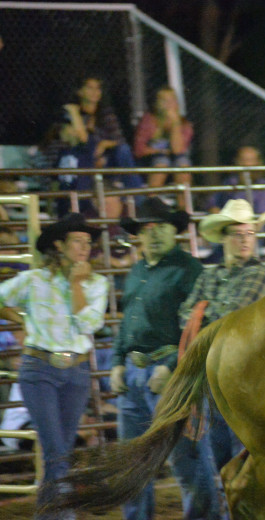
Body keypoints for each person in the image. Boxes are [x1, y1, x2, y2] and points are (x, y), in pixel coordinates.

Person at [110, 197, 222, 520]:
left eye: (162, 228)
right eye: (148, 229)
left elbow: (200, 328)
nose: (155, 234)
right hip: (134, 374)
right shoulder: (136, 271)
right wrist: (117, 360)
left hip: (171, 377)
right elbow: (128, 321)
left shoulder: (189, 270)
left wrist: (171, 364)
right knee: (134, 464)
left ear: (174, 232)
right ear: (139, 236)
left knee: (186, 460)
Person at [0, 213, 108, 517]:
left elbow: (91, 323)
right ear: (59, 245)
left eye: (88, 242)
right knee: (57, 452)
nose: (85, 247)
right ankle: (63, 515)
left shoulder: (96, 283)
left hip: (74, 372)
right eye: (78, 240)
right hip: (41, 369)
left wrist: (75, 284)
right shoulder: (34, 280)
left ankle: (49, 515)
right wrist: (19, 319)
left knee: (59, 453)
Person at [179, 199, 265, 470]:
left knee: (240, 453)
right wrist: (204, 314)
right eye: (237, 234)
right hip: (214, 378)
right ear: (224, 239)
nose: (245, 240)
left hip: (245, 380)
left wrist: (202, 310)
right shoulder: (209, 276)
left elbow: (230, 319)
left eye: (249, 234)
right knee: (221, 453)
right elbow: (184, 314)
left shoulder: (259, 275)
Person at [43, 76, 142, 215]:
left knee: (124, 150)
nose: (95, 92)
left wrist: (103, 144)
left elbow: (119, 140)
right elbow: (77, 140)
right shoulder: (71, 113)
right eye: (89, 87)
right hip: (80, 161)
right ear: (79, 91)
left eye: (97, 88)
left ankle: (138, 201)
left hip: (103, 160)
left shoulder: (105, 113)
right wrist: (75, 114)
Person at [133, 86, 194, 190]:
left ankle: (184, 205)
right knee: (162, 161)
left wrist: (175, 124)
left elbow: (177, 150)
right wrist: (158, 150)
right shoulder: (149, 120)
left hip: (174, 158)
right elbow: (139, 150)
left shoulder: (184, 124)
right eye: (164, 100)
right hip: (150, 159)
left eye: (172, 100)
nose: (169, 104)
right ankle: (152, 200)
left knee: (183, 163)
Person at [209, 146, 265, 215]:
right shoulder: (230, 181)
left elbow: (262, 213)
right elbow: (212, 203)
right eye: (243, 160)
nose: (246, 164)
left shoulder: (262, 186)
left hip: (251, 223)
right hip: (230, 222)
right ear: (237, 161)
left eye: (251, 160)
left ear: (258, 162)